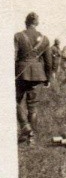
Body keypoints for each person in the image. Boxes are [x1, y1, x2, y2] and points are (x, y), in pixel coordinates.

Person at [14, 11, 52, 143]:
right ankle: (31, 138)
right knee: (33, 106)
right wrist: (48, 79)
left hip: (20, 74)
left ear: (26, 22)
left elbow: (13, 56)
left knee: (14, 101)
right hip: (37, 75)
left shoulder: (18, 36)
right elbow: (48, 62)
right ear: (37, 23)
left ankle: (25, 126)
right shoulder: (45, 39)